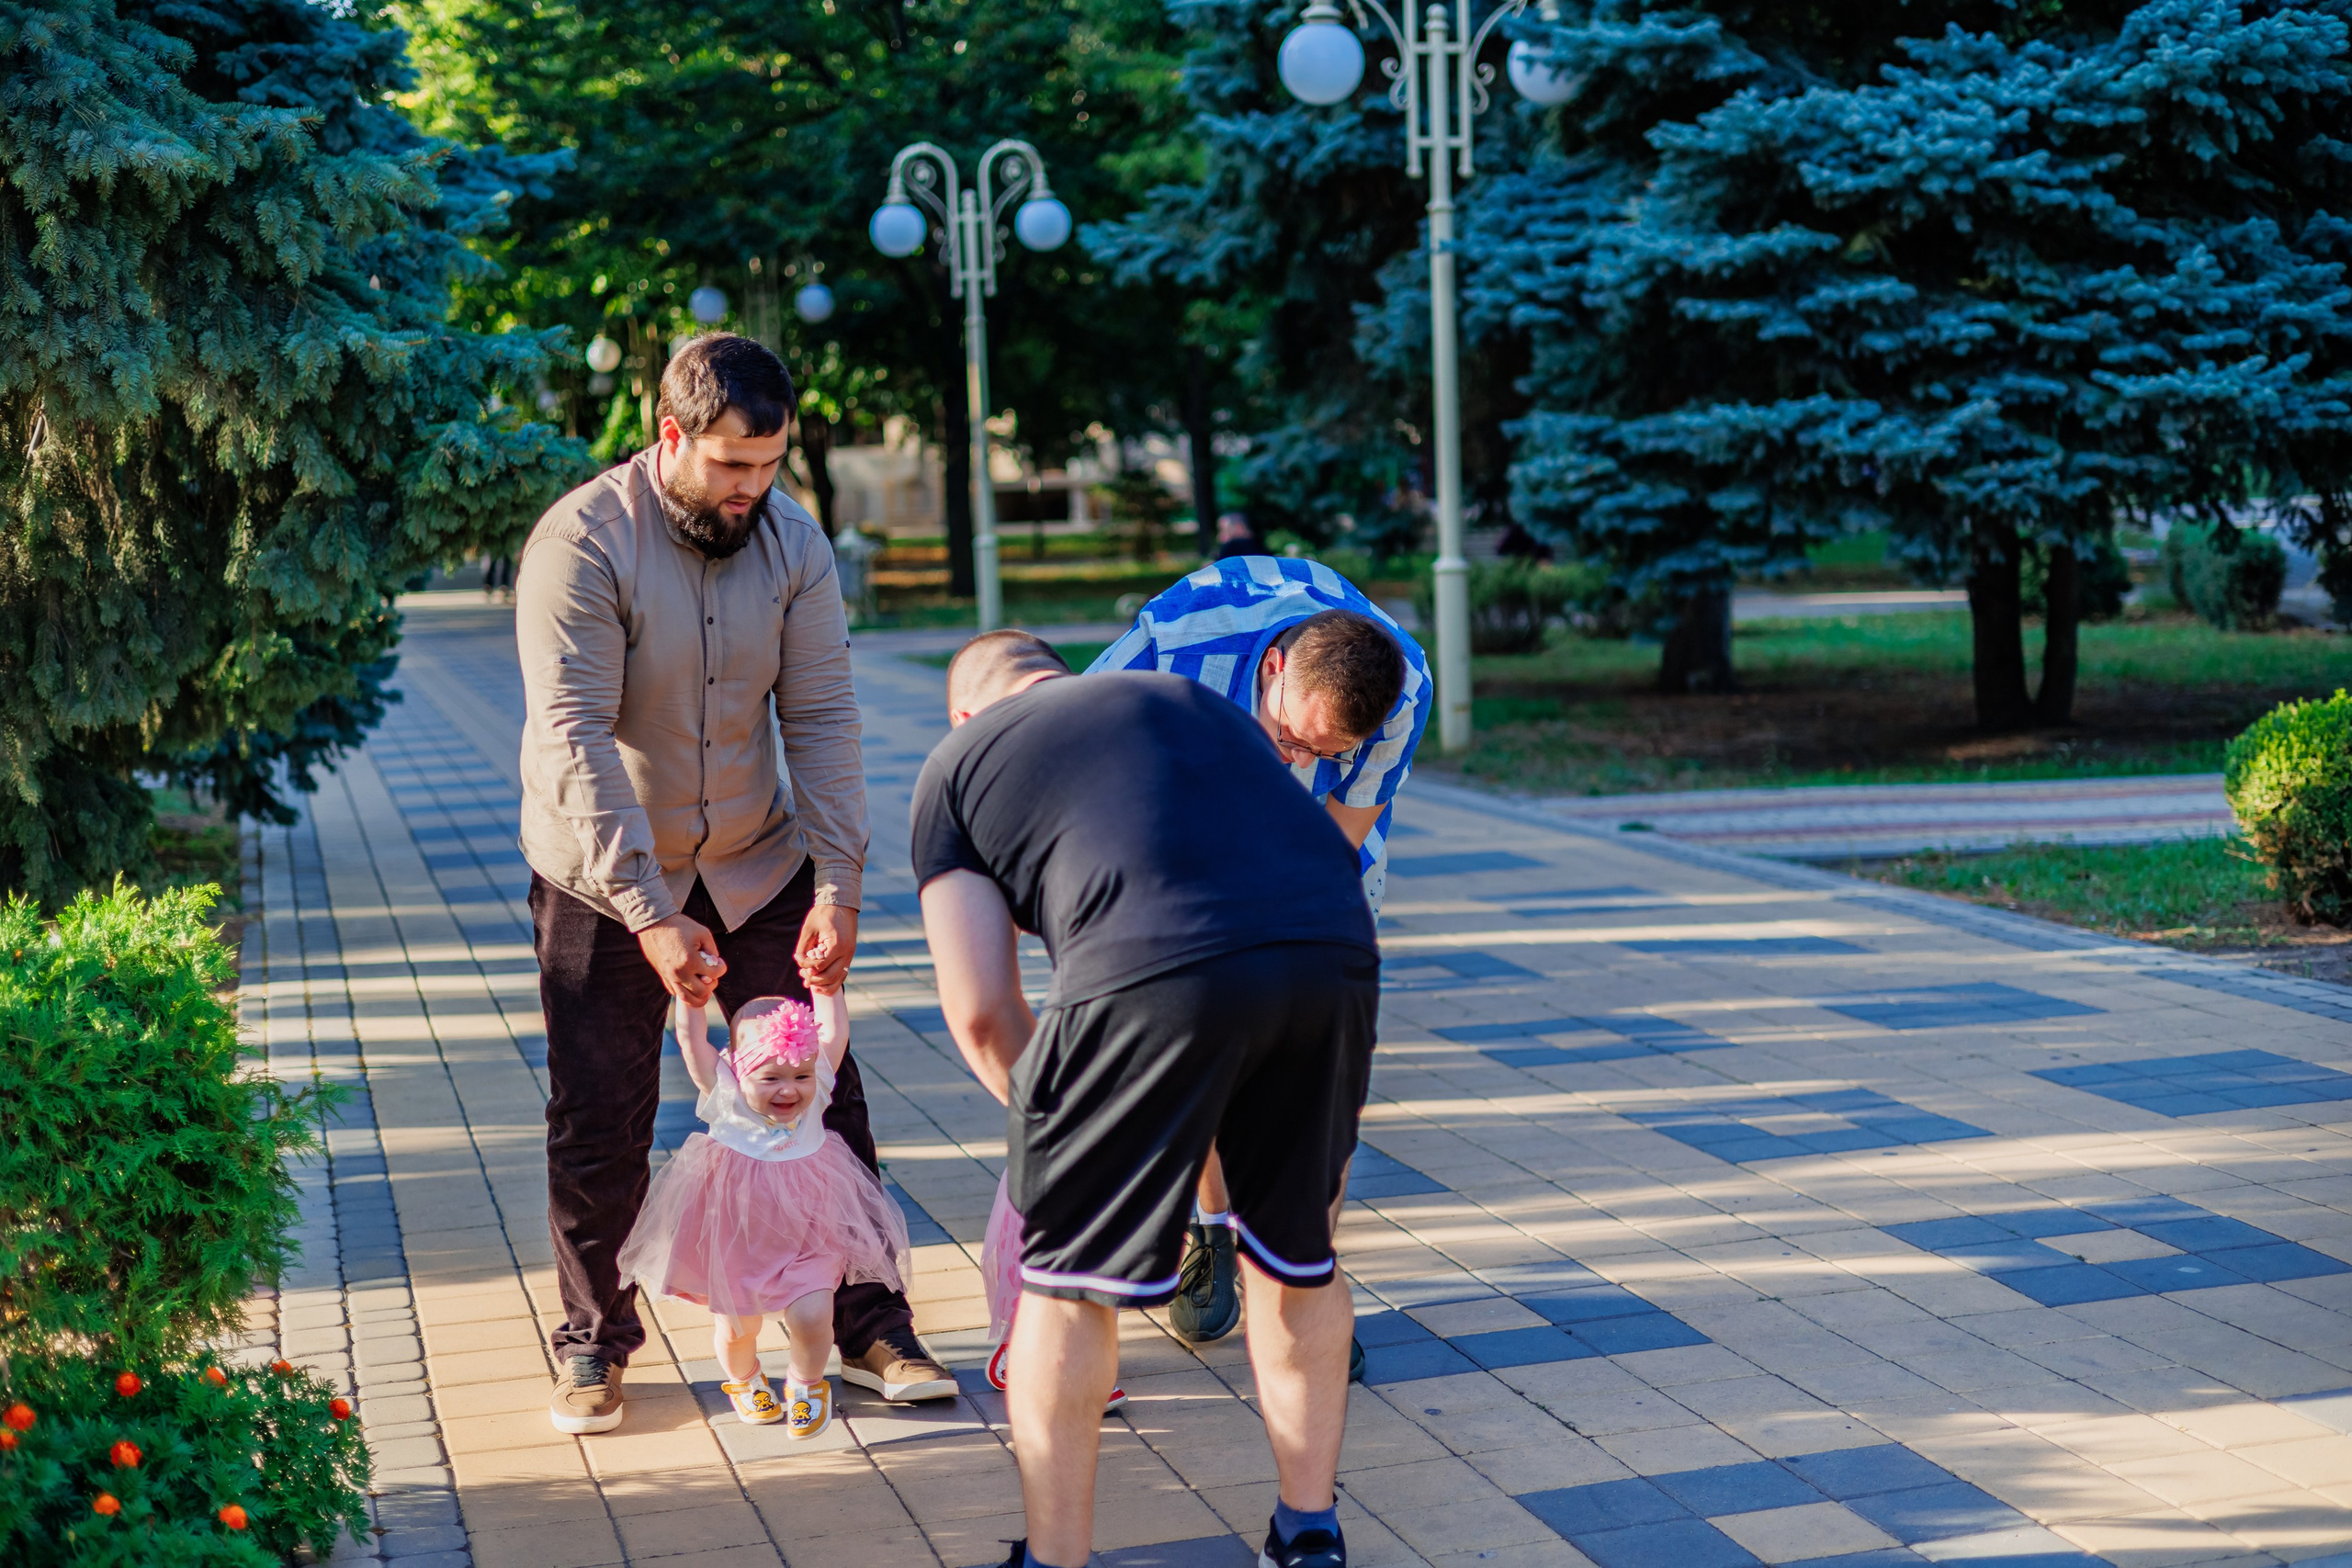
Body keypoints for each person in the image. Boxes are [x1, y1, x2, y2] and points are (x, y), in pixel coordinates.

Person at [516, 331, 954, 1437]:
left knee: (822, 1094)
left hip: (758, 861)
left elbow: (820, 718)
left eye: (769, 464)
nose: (754, 489)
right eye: (730, 466)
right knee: (602, 1111)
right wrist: (653, 917)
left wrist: (839, 885)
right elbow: (573, 740)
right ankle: (594, 1341)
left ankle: (868, 1324)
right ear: (670, 436)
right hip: (604, 874)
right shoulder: (581, 545)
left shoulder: (794, 542)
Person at [917, 631, 1379, 1568]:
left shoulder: (957, 763)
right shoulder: (1192, 701)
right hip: (1333, 947)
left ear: (966, 712)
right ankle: (1308, 1536)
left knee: (1065, 1286)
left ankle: (1054, 1560)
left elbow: (978, 1011)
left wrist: (1062, 1141)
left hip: (1149, 968)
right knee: (1293, 1253)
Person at [1088, 557, 1428, 1354]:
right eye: (1290, 737)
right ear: (1271, 669)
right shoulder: (1173, 646)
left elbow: (1335, 835)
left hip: (1320, 850)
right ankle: (1212, 1227)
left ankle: (1305, 1278)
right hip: (1182, 822)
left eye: (1327, 750)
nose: (1300, 761)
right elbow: (1068, 730)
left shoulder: (1405, 689)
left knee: (1317, 1064)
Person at [618, 989, 910, 1440]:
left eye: (800, 1075)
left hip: (808, 1238)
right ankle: (745, 1378)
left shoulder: (817, 1084)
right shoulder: (723, 1090)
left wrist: (826, 988)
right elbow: (691, 1040)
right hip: (739, 1241)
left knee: (815, 1314)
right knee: (737, 1329)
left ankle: (806, 1384)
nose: (790, 1089)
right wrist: (691, 997)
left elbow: (834, 1033)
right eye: (771, 1078)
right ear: (738, 1069)